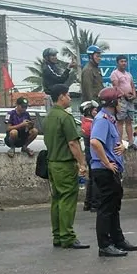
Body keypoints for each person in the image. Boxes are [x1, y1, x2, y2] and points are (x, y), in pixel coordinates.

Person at [90, 87, 137, 258]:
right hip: (104, 170)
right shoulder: (103, 119)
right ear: (113, 102)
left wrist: (121, 146)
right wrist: (107, 162)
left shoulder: (110, 119)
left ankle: (118, 240)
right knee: (106, 209)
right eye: (119, 101)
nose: (121, 104)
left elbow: (109, 142)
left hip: (110, 169)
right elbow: (95, 142)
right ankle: (105, 245)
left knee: (113, 207)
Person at [43, 84, 89, 249]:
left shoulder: (49, 116)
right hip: (64, 164)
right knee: (67, 200)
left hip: (52, 163)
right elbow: (73, 143)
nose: (70, 98)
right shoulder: (65, 117)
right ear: (61, 96)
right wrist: (82, 163)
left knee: (57, 200)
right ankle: (67, 236)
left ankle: (58, 235)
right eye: (68, 95)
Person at [110, 54, 137, 122]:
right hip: (121, 100)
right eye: (121, 61)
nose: (124, 63)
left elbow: (133, 86)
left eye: (125, 61)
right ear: (117, 63)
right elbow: (116, 87)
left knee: (129, 120)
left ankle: (130, 133)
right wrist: (125, 94)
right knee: (120, 121)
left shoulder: (128, 74)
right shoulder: (115, 73)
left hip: (130, 100)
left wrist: (134, 95)